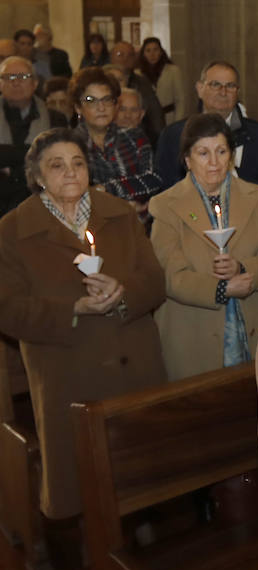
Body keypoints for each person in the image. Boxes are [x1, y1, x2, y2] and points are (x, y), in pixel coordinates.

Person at [0, 127, 166, 521]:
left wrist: (121, 294)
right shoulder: (11, 231)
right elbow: (8, 308)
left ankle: (143, 530)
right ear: (38, 177)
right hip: (66, 373)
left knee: (142, 481)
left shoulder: (120, 214)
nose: (70, 172)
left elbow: (155, 282)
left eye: (77, 163)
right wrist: (74, 308)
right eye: (56, 166)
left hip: (133, 364)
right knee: (85, 488)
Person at [149, 113, 258, 381]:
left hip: (253, 325)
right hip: (193, 332)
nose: (213, 162)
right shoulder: (165, 205)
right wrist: (221, 288)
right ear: (187, 160)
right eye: (203, 153)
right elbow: (170, 277)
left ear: (231, 156)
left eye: (221, 151)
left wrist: (243, 268)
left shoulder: (256, 196)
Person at [156, 60, 258, 191]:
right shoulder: (174, 135)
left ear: (237, 92)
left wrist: (239, 187)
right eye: (215, 84)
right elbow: (164, 185)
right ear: (200, 89)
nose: (223, 92)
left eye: (230, 86)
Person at [70, 67, 163, 220]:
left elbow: (153, 179)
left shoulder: (134, 136)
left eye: (107, 99)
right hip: (90, 225)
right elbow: (76, 193)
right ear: (78, 108)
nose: (101, 107)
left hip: (139, 225)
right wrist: (124, 203)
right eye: (91, 100)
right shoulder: (69, 144)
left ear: (115, 104)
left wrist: (105, 188)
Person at [2, 55, 68, 216]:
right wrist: (33, 153)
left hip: (42, 201)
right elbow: (42, 155)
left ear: (35, 83)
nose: (15, 82)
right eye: (8, 77)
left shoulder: (55, 118)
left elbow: (56, 159)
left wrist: (7, 158)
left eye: (23, 77)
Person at [109, 41, 164, 141]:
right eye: (120, 54)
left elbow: (155, 115)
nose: (125, 59)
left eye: (130, 55)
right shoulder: (99, 80)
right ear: (111, 57)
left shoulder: (142, 82)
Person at [136, 38, 187, 125]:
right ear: (143, 54)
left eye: (155, 50)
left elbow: (180, 99)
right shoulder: (138, 73)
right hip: (146, 121)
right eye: (148, 51)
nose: (152, 54)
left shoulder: (173, 70)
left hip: (168, 118)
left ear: (161, 52)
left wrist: (178, 122)